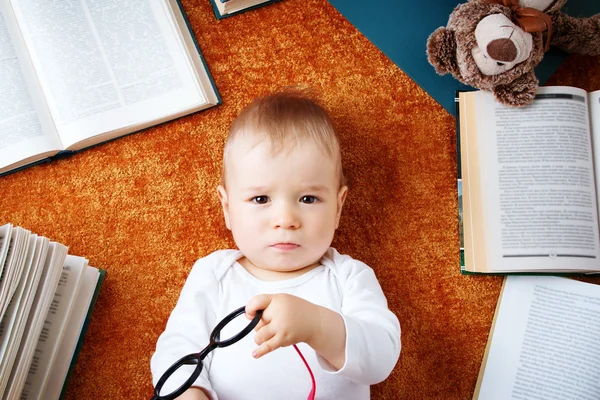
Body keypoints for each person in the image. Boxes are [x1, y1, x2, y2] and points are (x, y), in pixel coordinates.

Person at [151, 88, 401, 400]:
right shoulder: (214, 274)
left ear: (338, 208)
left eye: (308, 198)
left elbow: (381, 358)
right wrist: (190, 393)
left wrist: (316, 325)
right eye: (260, 198)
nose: (285, 219)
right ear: (227, 208)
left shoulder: (349, 277)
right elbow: (177, 348)